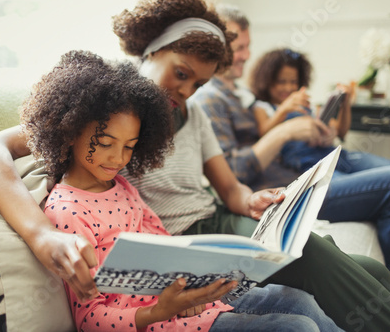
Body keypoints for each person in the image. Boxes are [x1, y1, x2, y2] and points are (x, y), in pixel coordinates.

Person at [0, 0, 390, 331]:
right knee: (317, 252)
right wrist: (41, 234)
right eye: (180, 73)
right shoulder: (103, 112)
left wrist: (254, 200)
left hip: (218, 220)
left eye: (198, 82)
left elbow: (230, 191)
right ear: (149, 53)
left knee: (370, 271)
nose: (185, 90)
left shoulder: (194, 113)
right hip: (181, 242)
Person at [22, 49, 342, 331]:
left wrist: (199, 276)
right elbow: (89, 319)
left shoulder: (121, 187)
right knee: (295, 327)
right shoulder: (66, 212)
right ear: (69, 130)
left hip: (189, 305)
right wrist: (158, 311)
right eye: (106, 144)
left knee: (299, 301)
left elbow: (164, 245)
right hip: (158, 321)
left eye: (130, 146)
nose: (119, 158)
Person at [188, 4, 390, 329]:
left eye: (248, 46)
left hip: (287, 175)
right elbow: (234, 172)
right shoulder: (208, 99)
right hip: (280, 183)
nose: (245, 56)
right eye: (238, 47)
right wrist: (285, 130)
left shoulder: (239, 94)